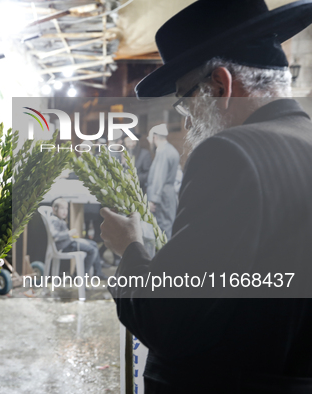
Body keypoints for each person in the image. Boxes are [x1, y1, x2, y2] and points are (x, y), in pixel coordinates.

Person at [100, 0, 312, 393]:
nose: (188, 119)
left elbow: (169, 320)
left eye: (186, 99)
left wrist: (129, 247)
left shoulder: (232, 154)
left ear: (220, 85)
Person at [49, 198, 106, 279]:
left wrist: (71, 235)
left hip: (69, 243)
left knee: (93, 244)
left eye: (66, 208)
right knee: (92, 250)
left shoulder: (60, 219)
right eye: (62, 208)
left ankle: (98, 272)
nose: (65, 211)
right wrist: (69, 233)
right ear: (54, 209)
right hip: (65, 246)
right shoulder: (54, 220)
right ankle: (81, 277)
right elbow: (55, 236)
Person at [145, 124, 180, 240]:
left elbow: (159, 177)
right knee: (167, 225)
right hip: (167, 194)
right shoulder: (170, 149)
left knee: (163, 228)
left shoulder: (163, 151)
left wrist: (153, 200)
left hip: (162, 197)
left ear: (154, 137)